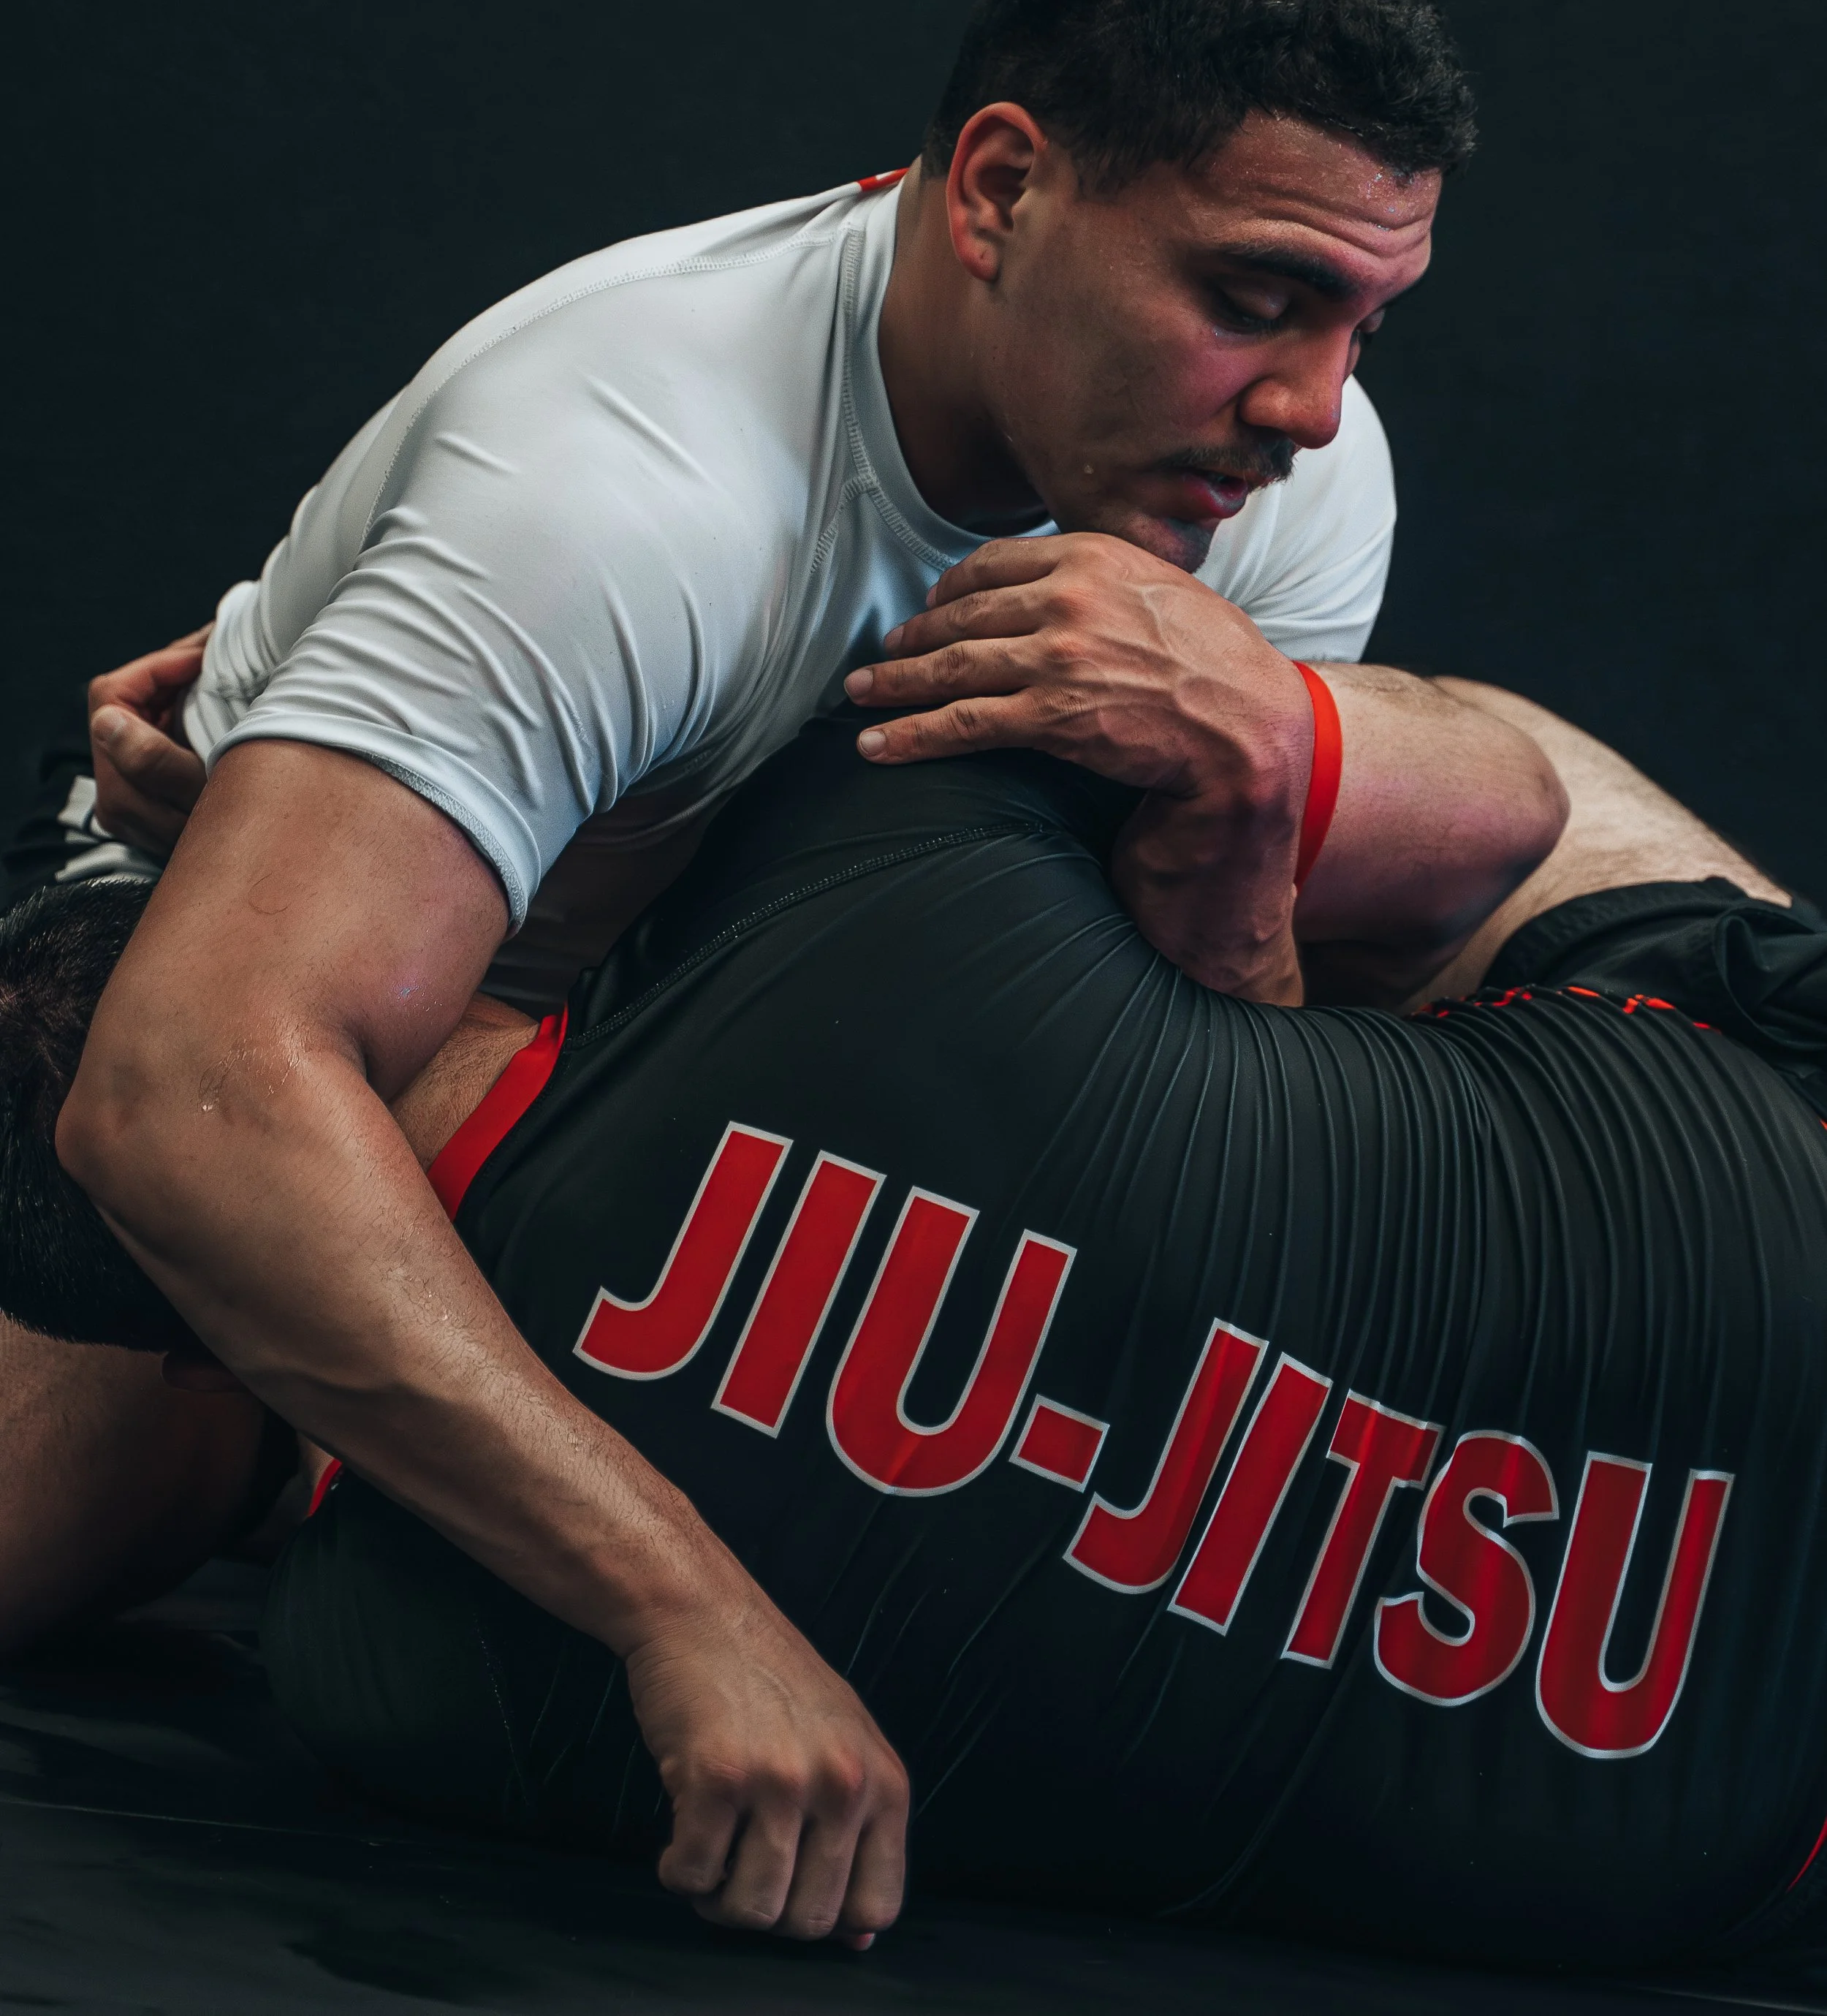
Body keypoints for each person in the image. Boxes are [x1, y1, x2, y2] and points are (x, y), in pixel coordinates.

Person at [51, 0, 1475, 1934]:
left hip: (684, 1074)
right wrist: (681, 1606)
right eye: (1249, 299)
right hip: (263, 1019)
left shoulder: (1271, 476)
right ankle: (289, 1410)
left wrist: (1258, 799)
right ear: (997, 191)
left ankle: (369, 1405)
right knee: (135, 1443)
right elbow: (187, 1087)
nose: (1308, 403)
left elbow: (1144, 1123)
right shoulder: (625, 479)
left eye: (1362, 316)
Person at [9, 687, 1826, 1966]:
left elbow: (264, 1309)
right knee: (1422, 773)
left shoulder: (400, 1693)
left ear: (188, 1373)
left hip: (1728, 1839)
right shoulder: (867, 837)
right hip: (1775, 1216)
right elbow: (1493, 795)